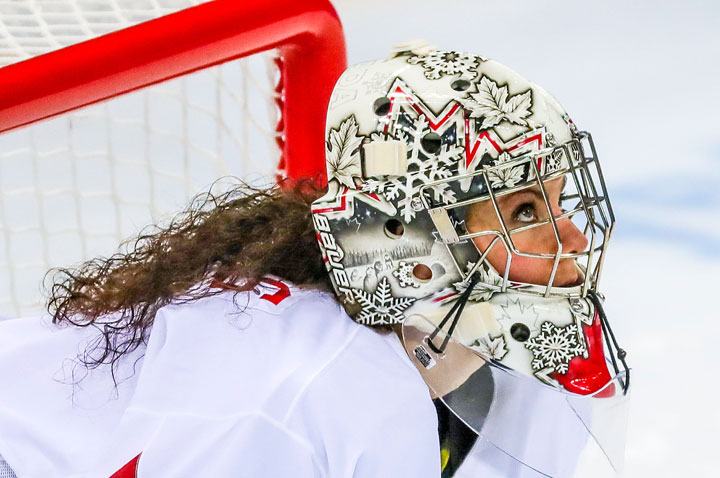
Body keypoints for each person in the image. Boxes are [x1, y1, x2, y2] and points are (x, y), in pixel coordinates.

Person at [0, 42, 630, 478]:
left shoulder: (533, 360)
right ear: (408, 241)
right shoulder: (300, 397)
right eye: (524, 212)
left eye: (558, 202)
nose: (572, 238)